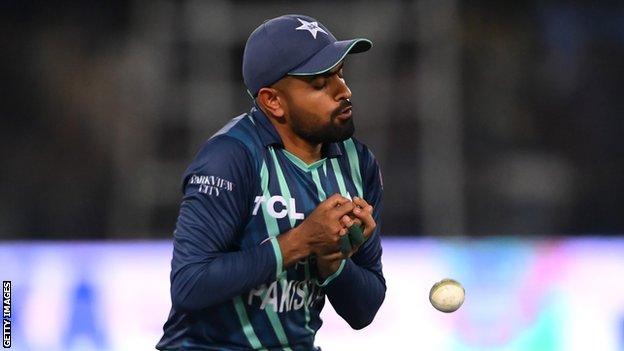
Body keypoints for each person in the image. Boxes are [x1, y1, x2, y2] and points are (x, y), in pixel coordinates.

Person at [157, 14, 385, 351]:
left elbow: (364, 310)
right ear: (273, 101)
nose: (344, 92)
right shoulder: (231, 157)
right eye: (320, 84)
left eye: (340, 74)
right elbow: (190, 284)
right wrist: (302, 242)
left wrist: (333, 263)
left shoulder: (357, 162)